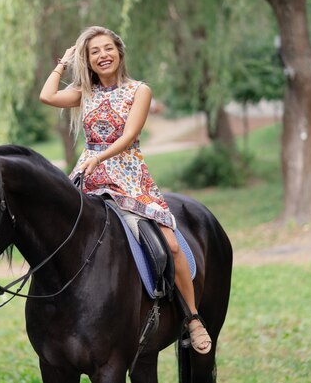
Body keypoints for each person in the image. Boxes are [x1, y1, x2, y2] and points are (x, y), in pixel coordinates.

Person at [39, 26, 211, 355]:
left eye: (108, 48)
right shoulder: (84, 91)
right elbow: (47, 96)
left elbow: (129, 135)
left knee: (172, 245)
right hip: (88, 172)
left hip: (128, 175)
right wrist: (63, 62)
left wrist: (99, 157)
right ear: (87, 60)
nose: (103, 55)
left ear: (119, 52)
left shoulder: (138, 90)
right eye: (94, 52)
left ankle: (192, 317)